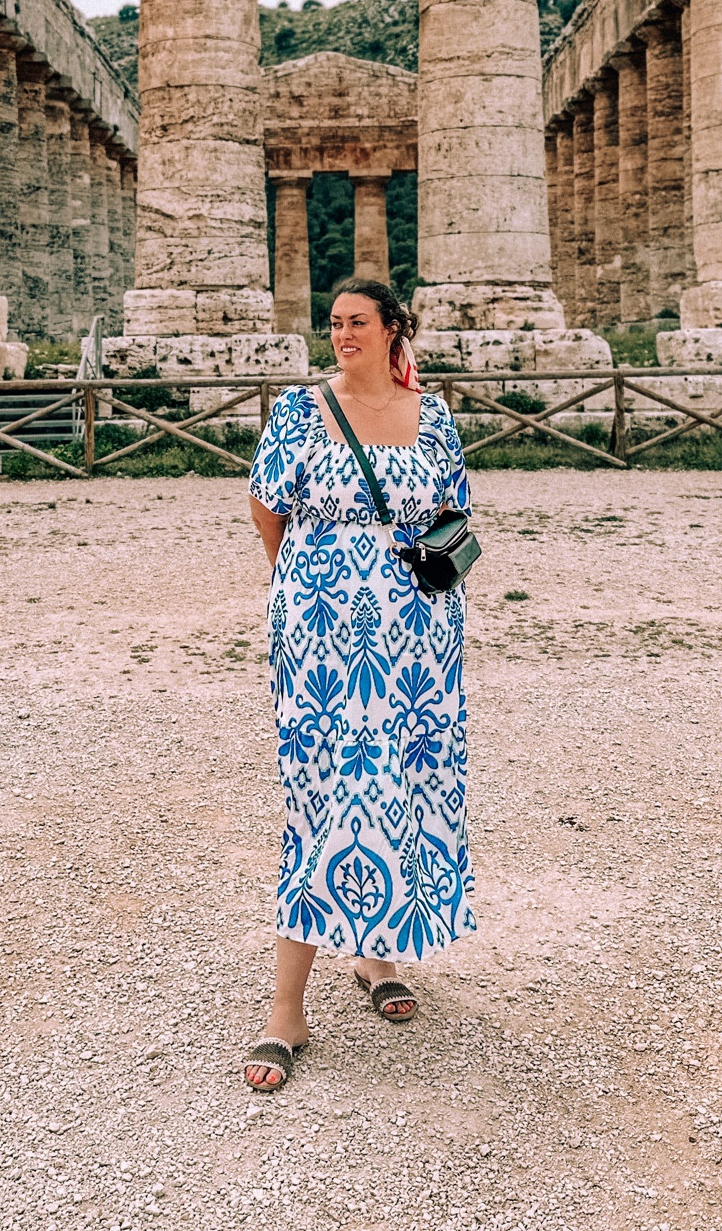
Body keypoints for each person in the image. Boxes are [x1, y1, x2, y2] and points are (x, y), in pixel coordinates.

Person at [242, 277, 475, 1092]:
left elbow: (456, 514)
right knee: (325, 796)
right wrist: (304, 585)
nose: (342, 334)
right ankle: (285, 1013)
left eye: (356, 323)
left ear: (390, 330)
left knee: (397, 789)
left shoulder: (436, 416)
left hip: (419, 634)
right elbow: (267, 508)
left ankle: (377, 959)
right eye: (334, 323)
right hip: (321, 632)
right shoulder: (301, 412)